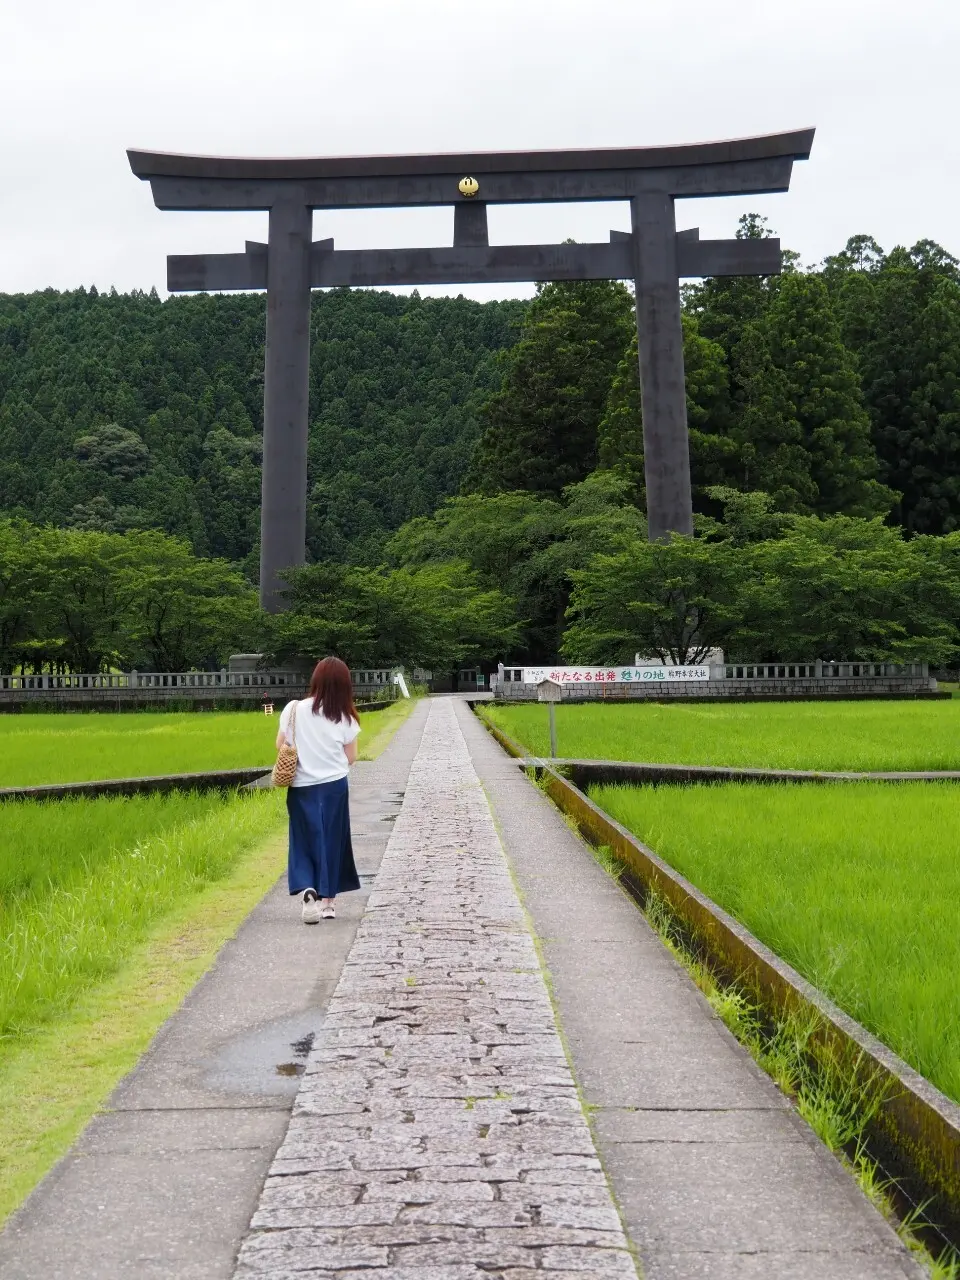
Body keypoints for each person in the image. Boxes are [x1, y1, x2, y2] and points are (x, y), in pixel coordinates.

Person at [276, 656, 361, 924]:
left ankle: (308, 887)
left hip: (301, 787)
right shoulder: (344, 716)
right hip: (334, 786)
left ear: (316, 680)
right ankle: (328, 903)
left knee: (303, 839)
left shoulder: (293, 709)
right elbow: (351, 757)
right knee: (332, 840)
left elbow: (281, 745)